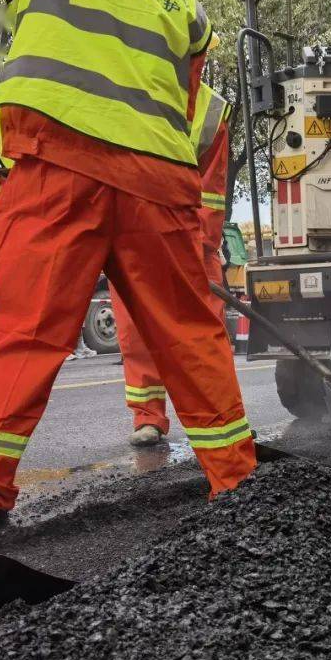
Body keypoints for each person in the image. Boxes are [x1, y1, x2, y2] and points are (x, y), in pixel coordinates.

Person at [0, 0, 258, 532]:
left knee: (27, 328)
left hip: (57, 160)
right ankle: (237, 481)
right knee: (189, 333)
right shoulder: (188, 6)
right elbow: (185, 99)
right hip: (155, 176)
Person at [113, 78, 233, 447]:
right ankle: (148, 416)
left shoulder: (210, 111)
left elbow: (211, 194)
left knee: (205, 332)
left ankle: (223, 420)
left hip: (190, 242)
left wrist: (195, 249)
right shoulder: (118, 91)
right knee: (137, 334)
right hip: (135, 238)